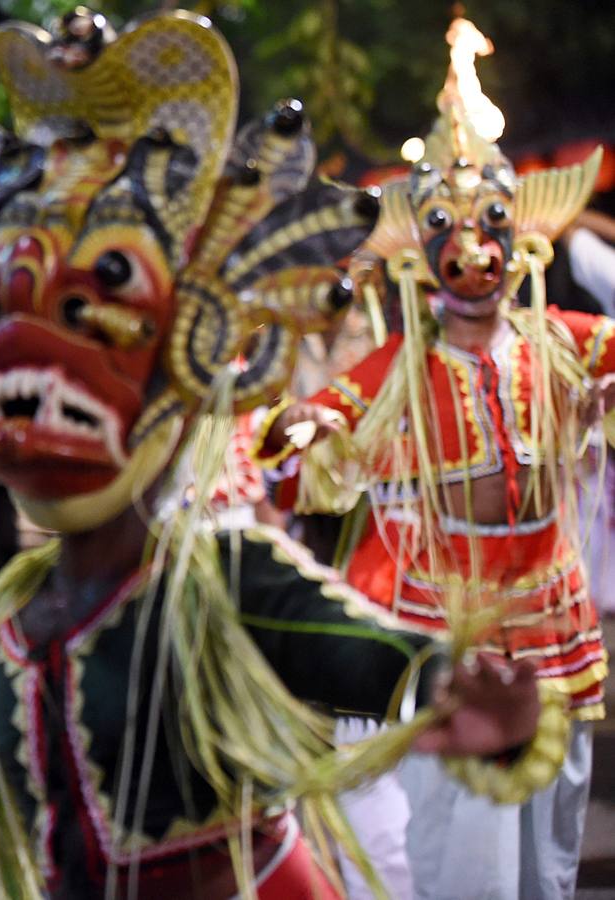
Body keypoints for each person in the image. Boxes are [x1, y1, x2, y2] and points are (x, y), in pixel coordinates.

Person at [0, 8, 566, 897]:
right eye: (8, 303)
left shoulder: (220, 578)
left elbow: (381, 662)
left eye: (94, 310)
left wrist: (468, 699)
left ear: (185, 355)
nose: (22, 348)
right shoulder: (16, 619)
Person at [258, 16, 610, 900]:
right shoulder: (398, 365)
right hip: (443, 601)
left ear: (521, 236)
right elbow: (311, 424)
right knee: (458, 823)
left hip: (548, 602)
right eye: (449, 228)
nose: (474, 248)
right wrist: (295, 432)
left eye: (491, 223)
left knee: (550, 827)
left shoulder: (561, 341)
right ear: (422, 250)